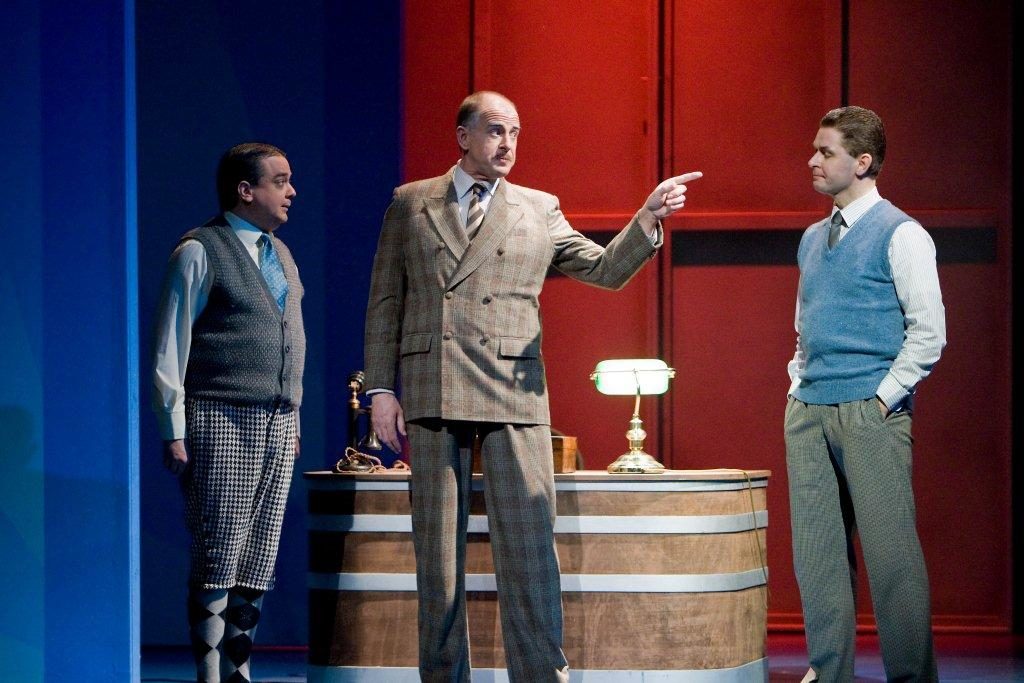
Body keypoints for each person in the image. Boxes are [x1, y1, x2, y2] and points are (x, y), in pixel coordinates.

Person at [364, 90, 701, 682]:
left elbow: (604, 270)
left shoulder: (538, 208)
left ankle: (542, 674)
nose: (508, 144)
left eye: (516, 132)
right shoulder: (411, 203)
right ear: (463, 136)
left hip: (513, 392)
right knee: (437, 558)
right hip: (432, 383)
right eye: (496, 131)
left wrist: (646, 217)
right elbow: (385, 301)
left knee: (529, 550)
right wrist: (380, 390)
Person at [785, 106, 945, 682]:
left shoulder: (901, 233)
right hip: (809, 413)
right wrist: (798, 384)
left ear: (862, 161)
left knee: (891, 559)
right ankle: (829, 672)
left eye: (825, 151)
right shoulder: (812, 238)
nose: (812, 159)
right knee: (818, 557)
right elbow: (805, 324)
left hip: (870, 413)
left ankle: (912, 677)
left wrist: (883, 398)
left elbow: (929, 332)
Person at [151, 142, 305, 683]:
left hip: (277, 422)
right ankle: (209, 676)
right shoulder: (201, 250)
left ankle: (238, 671)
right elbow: (170, 344)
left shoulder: (281, 255)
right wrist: (173, 429)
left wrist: (293, 417)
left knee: (259, 555)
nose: (291, 192)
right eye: (279, 181)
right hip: (221, 417)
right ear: (246, 190)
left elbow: (290, 342)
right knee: (219, 550)